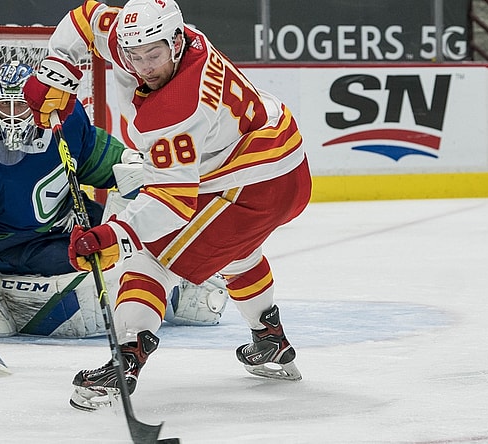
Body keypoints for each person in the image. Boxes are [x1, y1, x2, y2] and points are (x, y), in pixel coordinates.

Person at [23, 0, 312, 410]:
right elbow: (85, 18)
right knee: (235, 250)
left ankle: (126, 360)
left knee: (149, 256)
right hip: (273, 160)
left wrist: (115, 236)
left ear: (176, 41)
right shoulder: (148, 37)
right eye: (134, 56)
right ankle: (271, 342)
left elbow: (171, 204)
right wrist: (58, 68)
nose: (143, 66)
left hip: (255, 184)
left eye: (153, 55)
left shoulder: (178, 109)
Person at [0, 61, 226, 344]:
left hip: (69, 219)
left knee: (137, 228)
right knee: (105, 266)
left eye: (21, 105)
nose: (12, 115)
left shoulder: (69, 118)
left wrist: (131, 164)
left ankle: (174, 278)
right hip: (13, 246)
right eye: (5, 105)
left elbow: (95, 157)